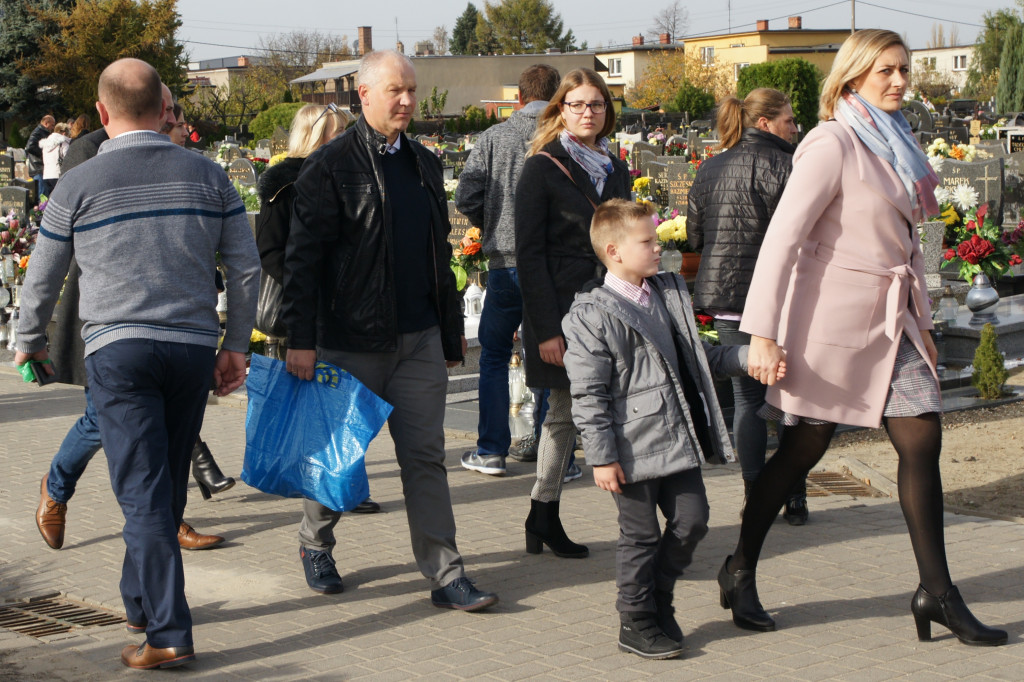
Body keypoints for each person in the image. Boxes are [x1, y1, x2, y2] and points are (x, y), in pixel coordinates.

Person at [718, 29, 1008, 647]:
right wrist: (763, 334)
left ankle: (937, 591)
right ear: (852, 78)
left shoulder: (898, 141)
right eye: (886, 71)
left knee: (921, 435)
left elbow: (906, 246)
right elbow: (783, 240)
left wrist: (923, 326)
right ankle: (740, 563)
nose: (900, 80)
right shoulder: (832, 142)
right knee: (803, 451)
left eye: (904, 69)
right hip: (831, 325)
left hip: (893, 319)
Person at [16, 58, 260, 669]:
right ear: (163, 108)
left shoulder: (79, 183)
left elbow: (43, 277)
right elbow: (247, 266)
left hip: (118, 350)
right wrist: (236, 344)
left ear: (102, 113)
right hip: (190, 348)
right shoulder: (208, 176)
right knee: (164, 483)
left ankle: (168, 634)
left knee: (144, 496)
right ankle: (140, 604)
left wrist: (29, 342)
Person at [282, 50, 498, 611]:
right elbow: (302, 261)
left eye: (411, 90)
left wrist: (450, 337)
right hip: (351, 339)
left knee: (425, 457)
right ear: (364, 95)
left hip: (418, 338)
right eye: (395, 91)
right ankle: (315, 543)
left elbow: (437, 256)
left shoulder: (424, 163)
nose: (406, 101)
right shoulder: (329, 167)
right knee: (341, 456)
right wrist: (299, 340)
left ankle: (447, 573)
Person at [35, 82, 232, 556]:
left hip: (173, 318)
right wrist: (31, 333)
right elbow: (62, 244)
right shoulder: (89, 151)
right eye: (166, 109)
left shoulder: (183, 152)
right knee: (100, 420)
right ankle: (56, 489)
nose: (173, 118)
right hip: (111, 313)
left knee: (160, 426)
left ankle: (166, 519)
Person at [563, 199, 746, 659]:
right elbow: (588, 394)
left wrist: (748, 360)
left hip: (676, 437)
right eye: (647, 241)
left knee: (693, 519)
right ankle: (635, 618)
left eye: (657, 239)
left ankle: (658, 596)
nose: (658, 249)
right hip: (630, 448)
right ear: (614, 251)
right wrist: (600, 456)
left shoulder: (667, 294)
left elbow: (697, 359)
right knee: (640, 535)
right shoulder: (591, 314)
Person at [514, 67, 631, 559]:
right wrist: (544, 329)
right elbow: (529, 254)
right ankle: (544, 511)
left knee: (625, 405)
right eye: (578, 104)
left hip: (613, 303)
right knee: (563, 412)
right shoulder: (542, 167)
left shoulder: (615, 166)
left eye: (597, 104)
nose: (588, 112)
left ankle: (636, 517)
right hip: (562, 308)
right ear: (561, 109)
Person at [687, 88, 809, 524]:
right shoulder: (791, 166)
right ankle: (794, 495)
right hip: (780, 298)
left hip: (728, 298)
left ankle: (755, 493)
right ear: (765, 123)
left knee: (747, 398)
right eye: (789, 120)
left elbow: (695, 236)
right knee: (792, 398)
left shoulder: (711, 166)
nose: (795, 128)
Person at [254, 102, 381, 516]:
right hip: (305, 309)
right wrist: (308, 282)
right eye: (337, 133)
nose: (346, 140)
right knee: (319, 408)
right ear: (314, 137)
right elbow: (271, 251)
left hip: (350, 309)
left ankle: (346, 483)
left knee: (346, 403)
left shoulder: (351, 178)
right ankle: (318, 484)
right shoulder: (283, 186)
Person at [454, 63, 561, 477]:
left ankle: (491, 450)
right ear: (555, 97)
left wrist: (494, 221)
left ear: (517, 97)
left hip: (505, 263)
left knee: (495, 356)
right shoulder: (560, 134)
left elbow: (466, 195)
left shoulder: (495, 136)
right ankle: (558, 458)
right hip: (552, 265)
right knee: (552, 358)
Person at [25, 114, 55, 196]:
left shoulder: (43, 132)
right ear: (46, 123)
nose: (53, 128)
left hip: (40, 167)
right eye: (52, 125)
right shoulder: (38, 132)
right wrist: (43, 154)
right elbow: (29, 147)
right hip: (37, 167)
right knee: (42, 195)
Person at [40, 122, 71, 196]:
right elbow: (67, 158)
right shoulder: (63, 142)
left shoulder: (46, 143)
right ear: (63, 133)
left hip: (46, 175)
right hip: (58, 174)